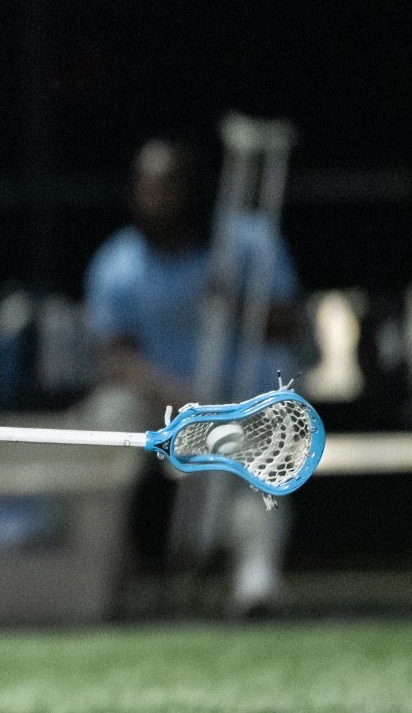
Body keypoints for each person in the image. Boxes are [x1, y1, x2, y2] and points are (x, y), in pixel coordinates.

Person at [84, 138, 305, 613]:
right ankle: (104, 573)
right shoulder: (117, 263)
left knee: (268, 426)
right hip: (161, 400)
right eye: (145, 188)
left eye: (166, 188)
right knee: (105, 417)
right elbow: (115, 357)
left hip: (239, 394)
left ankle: (255, 576)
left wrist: (239, 304)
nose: (154, 199)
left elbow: (292, 323)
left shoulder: (244, 242)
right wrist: (171, 393)